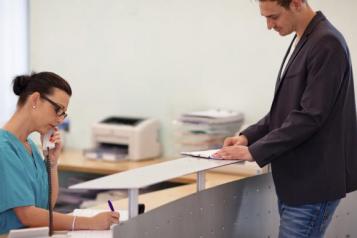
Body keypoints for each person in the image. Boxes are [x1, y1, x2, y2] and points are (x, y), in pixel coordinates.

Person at [213, 0, 357, 237]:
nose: (269, 25)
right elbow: (286, 109)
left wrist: (256, 151)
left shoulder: (326, 43)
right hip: (298, 183)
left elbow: (310, 116)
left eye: (274, 17)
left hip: (313, 183)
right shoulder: (305, 38)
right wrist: (248, 137)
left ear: (297, 4)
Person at [0, 72, 119, 235]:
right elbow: (27, 215)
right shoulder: (3, 149)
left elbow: (47, 206)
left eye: (63, 113)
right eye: (58, 110)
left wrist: (52, 163)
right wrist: (89, 223)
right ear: (35, 100)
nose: (60, 120)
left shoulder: (32, 147)